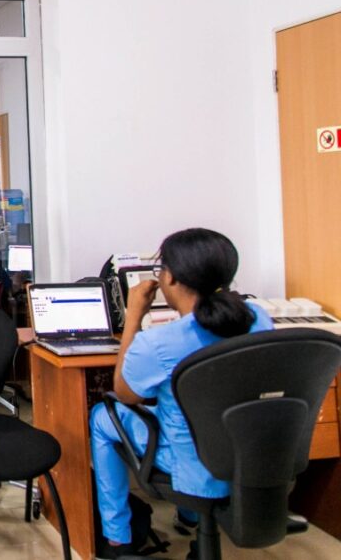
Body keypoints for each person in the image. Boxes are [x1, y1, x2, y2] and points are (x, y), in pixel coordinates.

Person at [90, 228, 273, 558]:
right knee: (188, 413)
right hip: (249, 456)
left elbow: (125, 393)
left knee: (103, 416)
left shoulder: (159, 343)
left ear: (170, 277)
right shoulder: (258, 319)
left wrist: (133, 317)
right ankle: (191, 516)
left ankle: (118, 538)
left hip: (190, 465)